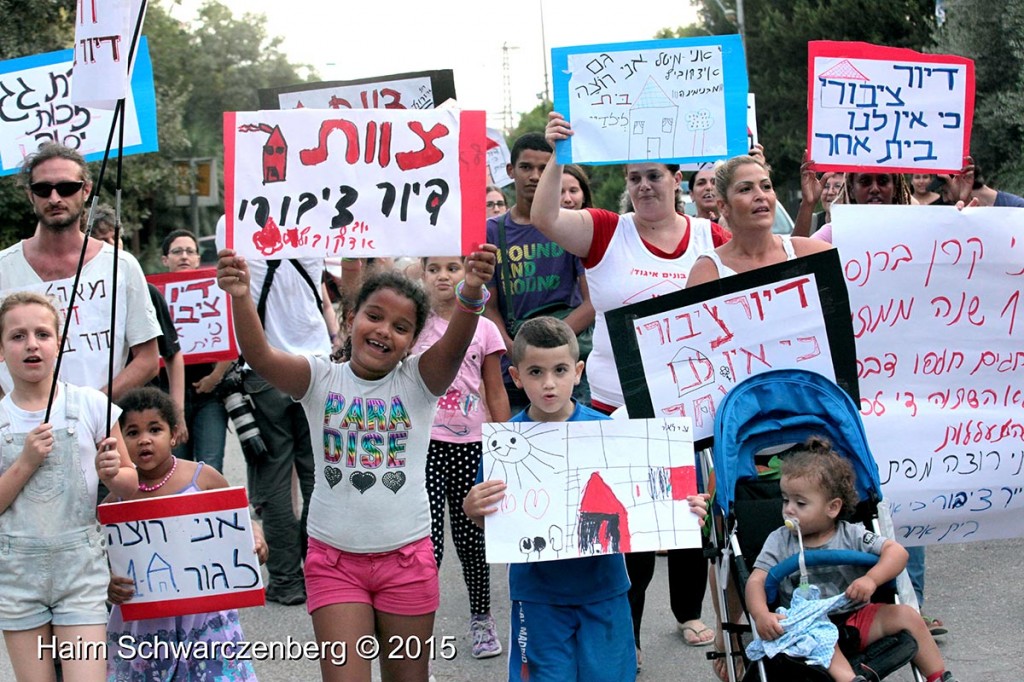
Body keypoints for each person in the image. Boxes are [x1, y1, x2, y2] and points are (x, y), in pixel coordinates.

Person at [217, 244, 497, 682]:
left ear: (414, 341)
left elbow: (458, 339)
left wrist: (473, 289)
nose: (385, 330)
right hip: (333, 563)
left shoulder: (420, 382)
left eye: (401, 327)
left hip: (408, 561)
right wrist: (239, 296)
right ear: (350, 320)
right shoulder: (318, 379)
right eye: (375, 316)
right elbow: (261, 356)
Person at [532, 111, 730, 662]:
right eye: (635, 177)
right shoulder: (604, 231)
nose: (644, 185)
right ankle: (630, 640)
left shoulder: (710, 237)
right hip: (614, 404)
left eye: (654, 176)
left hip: (688, 408)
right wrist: (557, 154)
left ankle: (690, 612)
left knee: (687, 517)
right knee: (627, 532)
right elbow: (545, 216)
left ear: (677, 181)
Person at [463, 316, 710, 681]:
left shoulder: (609, 433)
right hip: (537, 596)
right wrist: (473, 508)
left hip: (604, 591)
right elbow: (494, 518)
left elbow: (652, 499)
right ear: (516, 377)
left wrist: (685, 510)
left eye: (560, 370)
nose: (549, 384)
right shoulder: (505, 444)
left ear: (578, 371)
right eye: (535, 372)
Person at [0, 292, 136, 681]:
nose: (31, 344)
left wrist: (112, 473)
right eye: (17, 336)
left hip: (81, 571)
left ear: (59, 344)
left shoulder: (92, 405)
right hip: (16, 576)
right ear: (1, 348)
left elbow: (129, 484)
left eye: (42, 334)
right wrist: (25, 463)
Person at [746, 437, 957, 682]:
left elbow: (897, 553)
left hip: (856, 616)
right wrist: (761, 615)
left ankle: (939, 677)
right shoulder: (780, 540)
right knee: (820, 634)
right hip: (804, 627)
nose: (788, 509)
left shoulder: (852, 534)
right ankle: (849, 679)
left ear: (832, 507)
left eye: (800, 503)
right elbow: (756, 581)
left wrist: (871, 579)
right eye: (785, 500)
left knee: (907, 615)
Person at [104, 387, 266, 681]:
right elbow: (99, 556)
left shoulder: (203, 479)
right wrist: (109, 584)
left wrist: (255, 538)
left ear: (175, 434)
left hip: (204, 618)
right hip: (145, 624)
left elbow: (239, 521)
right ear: (119, 442)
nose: (144, 440)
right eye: (132, 432)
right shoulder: (116, 500)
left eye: (155, 429)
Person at [0, 142, 160, 400]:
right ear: (31, 195)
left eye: (66, 188)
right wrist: (15, 416)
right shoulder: (3, 268)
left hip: (103, 430)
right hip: (19, 435)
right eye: (42, 189)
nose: (54, 198)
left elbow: (148, 359)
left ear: (86, 190)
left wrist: (93, 409)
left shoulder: (121, 266)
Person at [414, 255, 510, 659]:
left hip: (473, 446)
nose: (443, 276)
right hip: (425, 448)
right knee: (428, 543)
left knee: (473, 541)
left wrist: (506, 445)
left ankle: (481, 618)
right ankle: (418, 624)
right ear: (421, 274)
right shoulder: (415, 325)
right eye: (433, 269)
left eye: (452, 268)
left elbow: (495, 389)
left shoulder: (485, 328)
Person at [483, 132, 595, 414]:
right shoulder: (493, 231)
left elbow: (591, 301)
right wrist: (515, 349)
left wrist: (551, 343)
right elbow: (488, 306)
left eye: (544, 168)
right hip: (514, 368)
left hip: (564, 363)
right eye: (526, 167)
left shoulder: (572, 224)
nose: (534, 176)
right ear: (510, 171)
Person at [87, 208, 187, 448]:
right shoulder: (81, 299)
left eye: (116, 238)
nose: (112, 245)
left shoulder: (145, 291)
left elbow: (171, 354)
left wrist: (178, 412)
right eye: (103, 240)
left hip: (142, 410)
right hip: (94, 416)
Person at [686, 154, 832, 285]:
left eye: (766, 186)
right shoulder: (706, 273)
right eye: (745, 189)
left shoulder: (814, 253)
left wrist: (808, 204)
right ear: (723, 206)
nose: (760, 195)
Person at [160, 229, 231, 472]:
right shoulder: (154, 295)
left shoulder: (217, 290)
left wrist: (215, 377)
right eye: (177, 251)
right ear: (165, 260)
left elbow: (233, 340)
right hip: (167, 397)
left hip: (209, 396)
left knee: (210, 466)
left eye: (190, 251)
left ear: (198, 259)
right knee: (176, 468)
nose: (184, 257)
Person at [931, 156, 1024, 207]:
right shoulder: (959, 211)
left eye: (945, 192)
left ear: (960, 179)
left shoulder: (1017, 208)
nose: (945, 199)